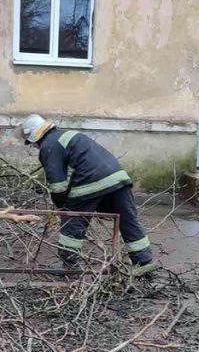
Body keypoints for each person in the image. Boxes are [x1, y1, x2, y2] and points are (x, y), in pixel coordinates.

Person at [19, 114, 157, 275]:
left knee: (73, 218)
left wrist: (61, 206)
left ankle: (69, 266)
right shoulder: (67, 135)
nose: (34, 146)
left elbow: (57, 185)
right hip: (118, 178)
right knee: (128, 219)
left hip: (91, 180)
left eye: (32, 143)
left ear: (35, 137)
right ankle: (144, 263)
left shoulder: (48, 145)